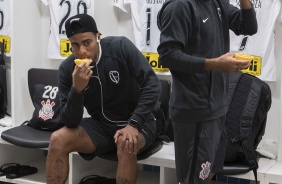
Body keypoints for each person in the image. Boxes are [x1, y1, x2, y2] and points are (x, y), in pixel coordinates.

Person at [46, 14, 161, 184]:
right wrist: (77, 90)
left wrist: (133, 124)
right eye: (75, 45)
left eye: (87, 43)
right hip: (101, 126)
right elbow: (70, 121)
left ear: (98, 37)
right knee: (57, 139)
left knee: (126, 142)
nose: (82, 51)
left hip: (138, 121)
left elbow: (152, 85)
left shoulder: (120, 47)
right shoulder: (67, 69)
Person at [157, 0, 257, 183]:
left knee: (207, 175)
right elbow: (167, 56)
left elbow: (248, 27)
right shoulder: (179, 6)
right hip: (194, 111)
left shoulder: (216, 2)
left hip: (217, 109)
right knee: (192, 179)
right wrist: (214, 64)